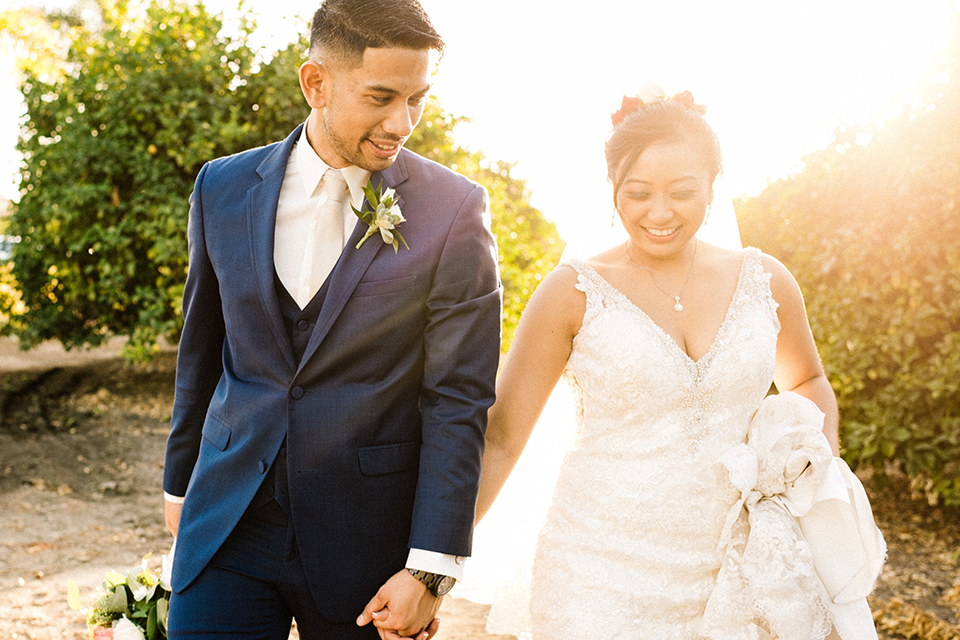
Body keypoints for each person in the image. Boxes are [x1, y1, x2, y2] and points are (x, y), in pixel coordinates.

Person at [476, 90, 884, 638]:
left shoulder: (767, 281)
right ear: (612, 192)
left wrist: (811, 460)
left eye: (683, 192)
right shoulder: (570, 292)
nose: (660, 213)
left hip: (735, 568)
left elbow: (807, 379)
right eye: (638, 193)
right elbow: (501, 437)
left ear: (714, 188)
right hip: (594, 573)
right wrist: (429, 564)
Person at [161, 1, 502, 638]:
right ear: (315, 83)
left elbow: (458, 398)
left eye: (417, 99)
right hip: (229, 519)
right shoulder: (221, 188)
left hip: (366, 545)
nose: (402, 122)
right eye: (381, 97)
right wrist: (179, 489)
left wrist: (429, 569)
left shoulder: (454, 210)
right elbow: (201, 350)